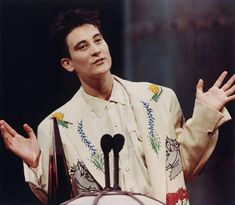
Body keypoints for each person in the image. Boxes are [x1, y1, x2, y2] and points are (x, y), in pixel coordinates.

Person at [0, 9, 235, 205]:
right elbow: (58, 198)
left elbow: (181, 168)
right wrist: (35, 165)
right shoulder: (56, 125)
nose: (95, 50)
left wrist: (206, 117)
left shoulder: (159, 99)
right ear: (68, 64)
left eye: (98, 40)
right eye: (82, 46)